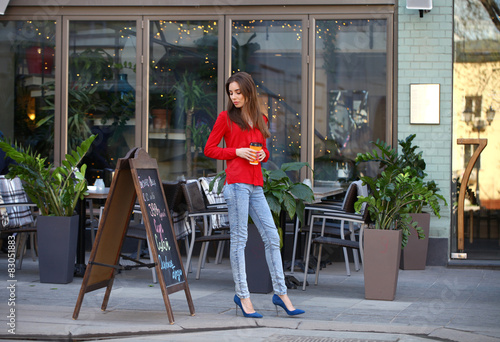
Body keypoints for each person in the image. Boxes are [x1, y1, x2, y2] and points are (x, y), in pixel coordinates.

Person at [204, 72, 304, 318]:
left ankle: (281, 294)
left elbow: (265, 152)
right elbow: (210, 149)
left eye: (238, 92)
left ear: (249, 92)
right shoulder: (225, 118)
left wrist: (262, 156)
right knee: (239, 241)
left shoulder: (261, 118)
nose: (234, 97)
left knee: (272, 237)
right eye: (231, 92)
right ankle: (243, 296)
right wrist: (237, 151)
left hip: (256, 185)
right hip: (236, 184)